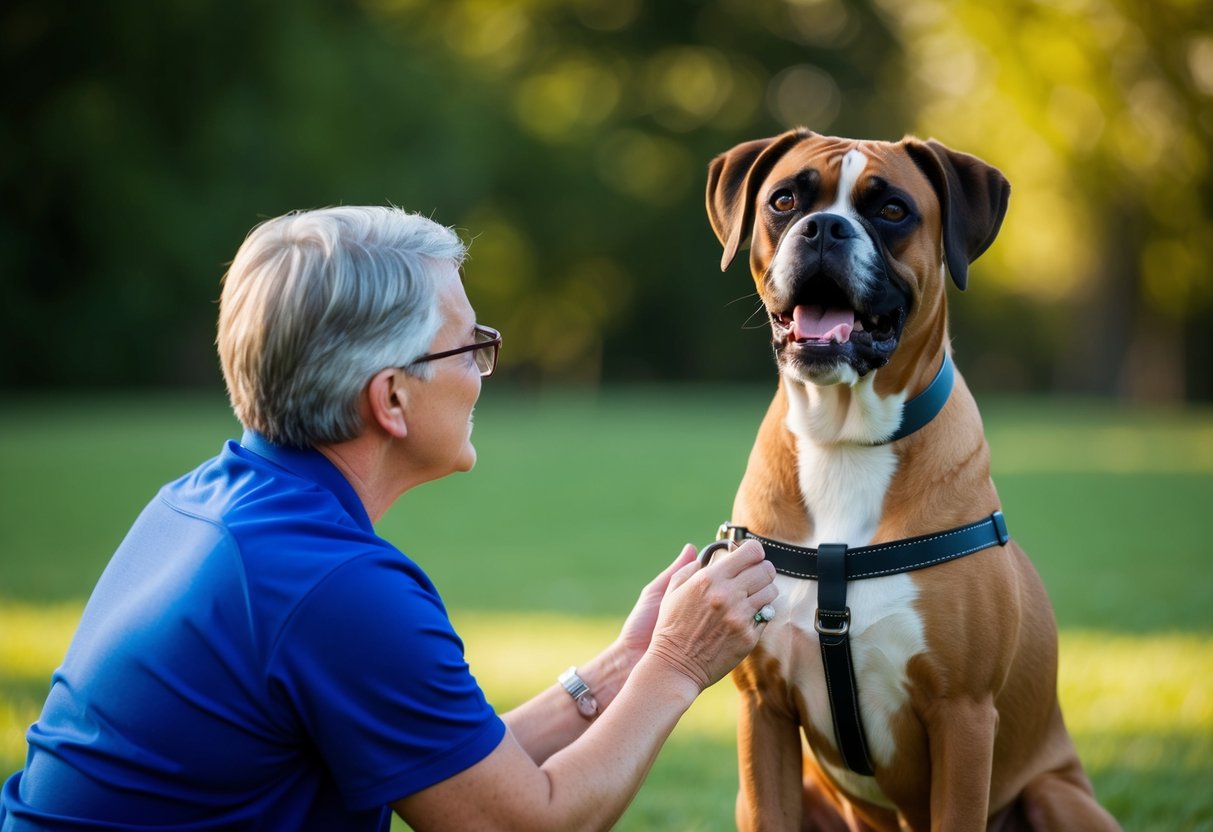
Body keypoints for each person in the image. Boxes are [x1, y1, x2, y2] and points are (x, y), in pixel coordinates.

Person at [0, 205, 777, 831]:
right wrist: (677, 666)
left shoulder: (205, 504)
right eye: (468, 347)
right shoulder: (334, 587)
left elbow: (453, 770)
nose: (480, 370)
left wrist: (621, 667)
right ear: (391, 400)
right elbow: (520, 824)